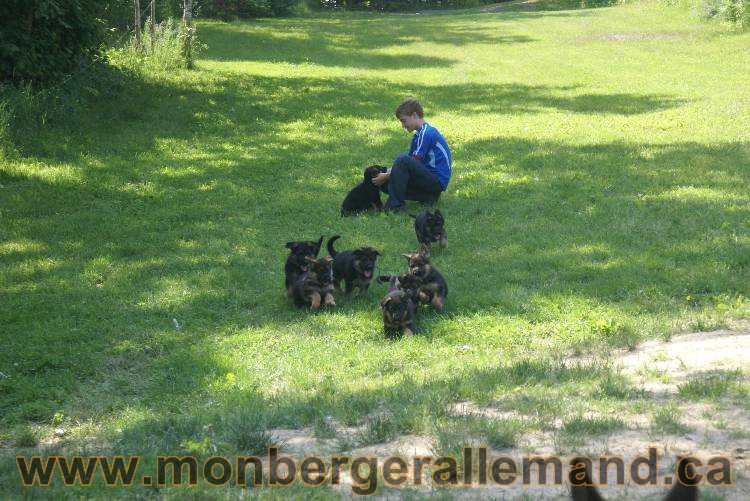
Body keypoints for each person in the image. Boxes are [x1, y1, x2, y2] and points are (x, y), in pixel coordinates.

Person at [372, 98, 452, 213]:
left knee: (401, 160)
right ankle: (427, 197)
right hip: (428, 181)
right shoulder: (418, 136)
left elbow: (406, 162)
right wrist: (384, 174)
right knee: (385, 178)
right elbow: (406, 165)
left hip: (437, 181)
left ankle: (396, 206)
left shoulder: (426, 133)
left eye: (404, 121)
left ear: (414, 115)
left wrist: (385, 176)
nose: (403, 125)